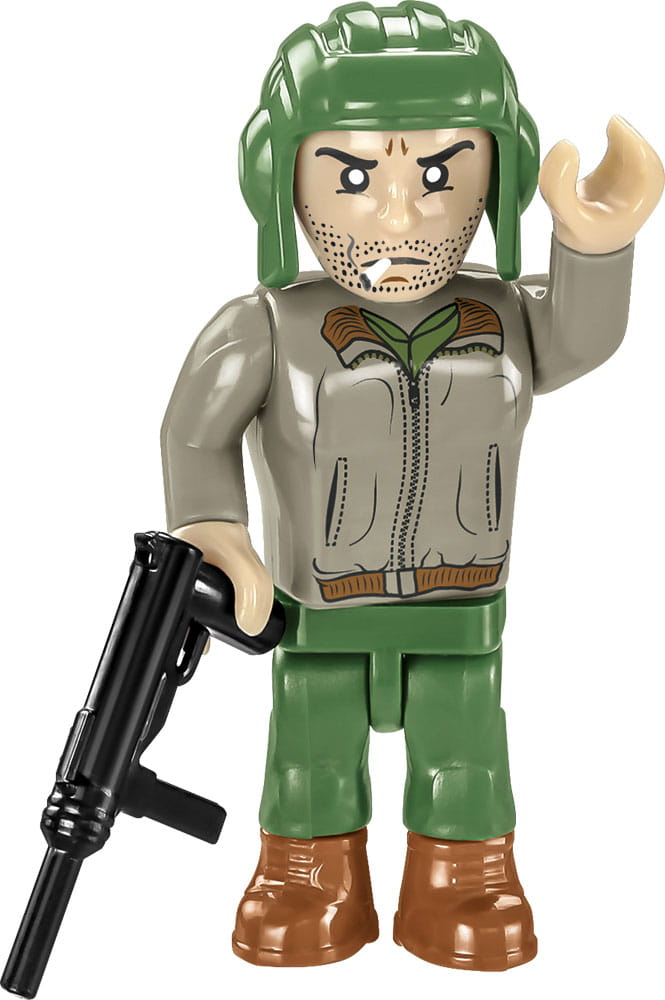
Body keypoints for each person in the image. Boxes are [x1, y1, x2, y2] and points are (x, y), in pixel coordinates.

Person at [161, 2, 663, 971]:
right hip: (315, 611)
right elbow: (195, 433)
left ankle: (464, 877)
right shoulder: (263, 328)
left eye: (439, 174)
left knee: (463, 746)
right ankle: (307, 872)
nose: (399, 214)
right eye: (352, 176)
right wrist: (215, 528)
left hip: (460, 608)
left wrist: (594, 246)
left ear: (497, 176)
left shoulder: (506, 316)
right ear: (279, 175)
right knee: (310, 748)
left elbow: (583, 337)